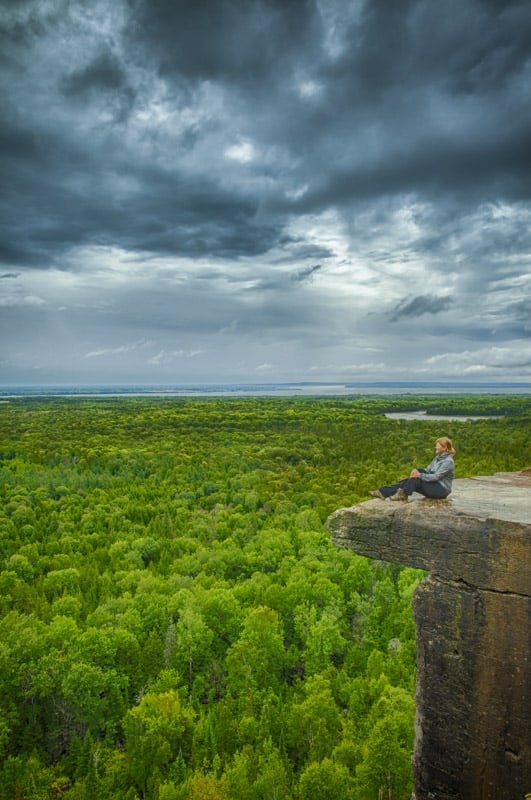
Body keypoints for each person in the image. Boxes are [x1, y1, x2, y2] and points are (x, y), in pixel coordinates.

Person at [369, 437, 456, 501]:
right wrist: (416, 472)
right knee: (413, 477)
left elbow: (436, 477)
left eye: (438, 446)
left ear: (445, 448)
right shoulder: (438, 457)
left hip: (441, 490)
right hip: (433, 486)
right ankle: (383, 492)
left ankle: (402, 494)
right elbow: (428, 470)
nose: (435, 447)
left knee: (417, 477)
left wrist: (419, 475)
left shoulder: (448, 462)